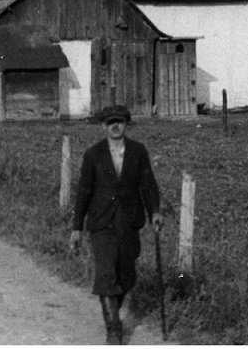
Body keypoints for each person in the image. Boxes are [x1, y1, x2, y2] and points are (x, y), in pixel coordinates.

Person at [69, 104, 163, 345]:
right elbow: (84, 191)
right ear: (103, 126)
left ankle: (112, 309)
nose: (115, 126)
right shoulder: (93, 155)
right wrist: (77, 227)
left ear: (126, 124)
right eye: (111, 122)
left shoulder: (138, 152)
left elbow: (147, 184)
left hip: (129, 222)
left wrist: (154, 211)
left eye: (120, 121)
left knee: (126, 276)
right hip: (101, 222)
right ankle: (114, 328)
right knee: (106, 272)